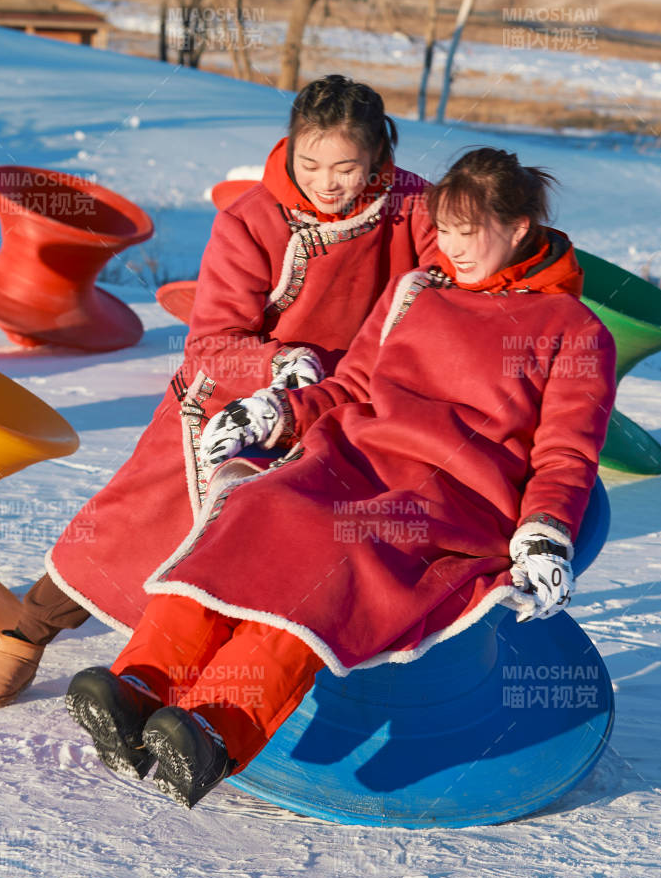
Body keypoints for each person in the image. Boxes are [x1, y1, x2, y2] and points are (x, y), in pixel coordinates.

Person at [64, 148, 617, 807]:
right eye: (443, 228)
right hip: (356, 457)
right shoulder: (418, 288)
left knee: (340, 549)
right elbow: (351, 386)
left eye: (470, 232)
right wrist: (278, 411)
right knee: (256, 506)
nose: (452, 246)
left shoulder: (575, 330)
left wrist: (546, 530)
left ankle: (218, 727)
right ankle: (140, 686)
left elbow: (567, 451)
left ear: (519, 228)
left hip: (451, 496)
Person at [0, 75, 440, 708]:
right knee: (127, 531)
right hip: (233, 395)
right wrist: (286, 365)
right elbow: (211, 340)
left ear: (380, 155)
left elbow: (451, 275)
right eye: (310, 163)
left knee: (311, 543)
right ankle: (26, 635)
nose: (328, 181)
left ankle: (244, 679)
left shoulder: (416, 207)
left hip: (350, 400)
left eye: (347, 166)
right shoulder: (253, 219)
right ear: (289, 147)